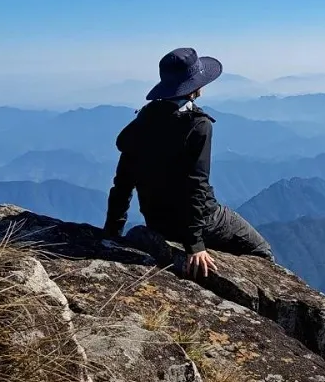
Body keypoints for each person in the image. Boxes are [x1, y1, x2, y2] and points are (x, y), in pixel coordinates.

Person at [103, 47, 273, 277]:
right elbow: (196, 184)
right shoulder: (198, 125)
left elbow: (123, 181)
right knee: (261, 251)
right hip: (203, 220)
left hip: (158, 220)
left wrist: (112, 231)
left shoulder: (144, 119)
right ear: (195, 86)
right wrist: (195, 244)